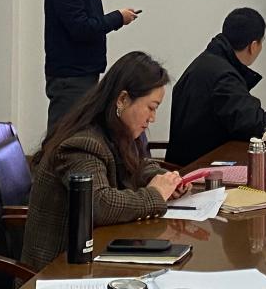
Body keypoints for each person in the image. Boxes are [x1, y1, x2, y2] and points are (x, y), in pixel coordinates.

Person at [22, 51, 188, 271]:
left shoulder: (115, 130)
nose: (153, 118)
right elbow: (100, 204)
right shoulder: (82, 143)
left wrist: (163, 179)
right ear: (123, 99)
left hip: (94, 254)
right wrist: (155, 194)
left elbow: (138, 164)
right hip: (58, 270)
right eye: (151, 107)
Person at [165, 7, 266, 167]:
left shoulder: (207, 63)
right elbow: (258, 125)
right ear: (253, 46)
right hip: (199, 171)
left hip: (192, 163)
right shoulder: (223, 76)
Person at [44, 0, 139, 133]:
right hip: (71, 77)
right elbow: (82, 28)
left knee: (81, 133)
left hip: (83, 73)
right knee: (64, 135)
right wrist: (118, 18)